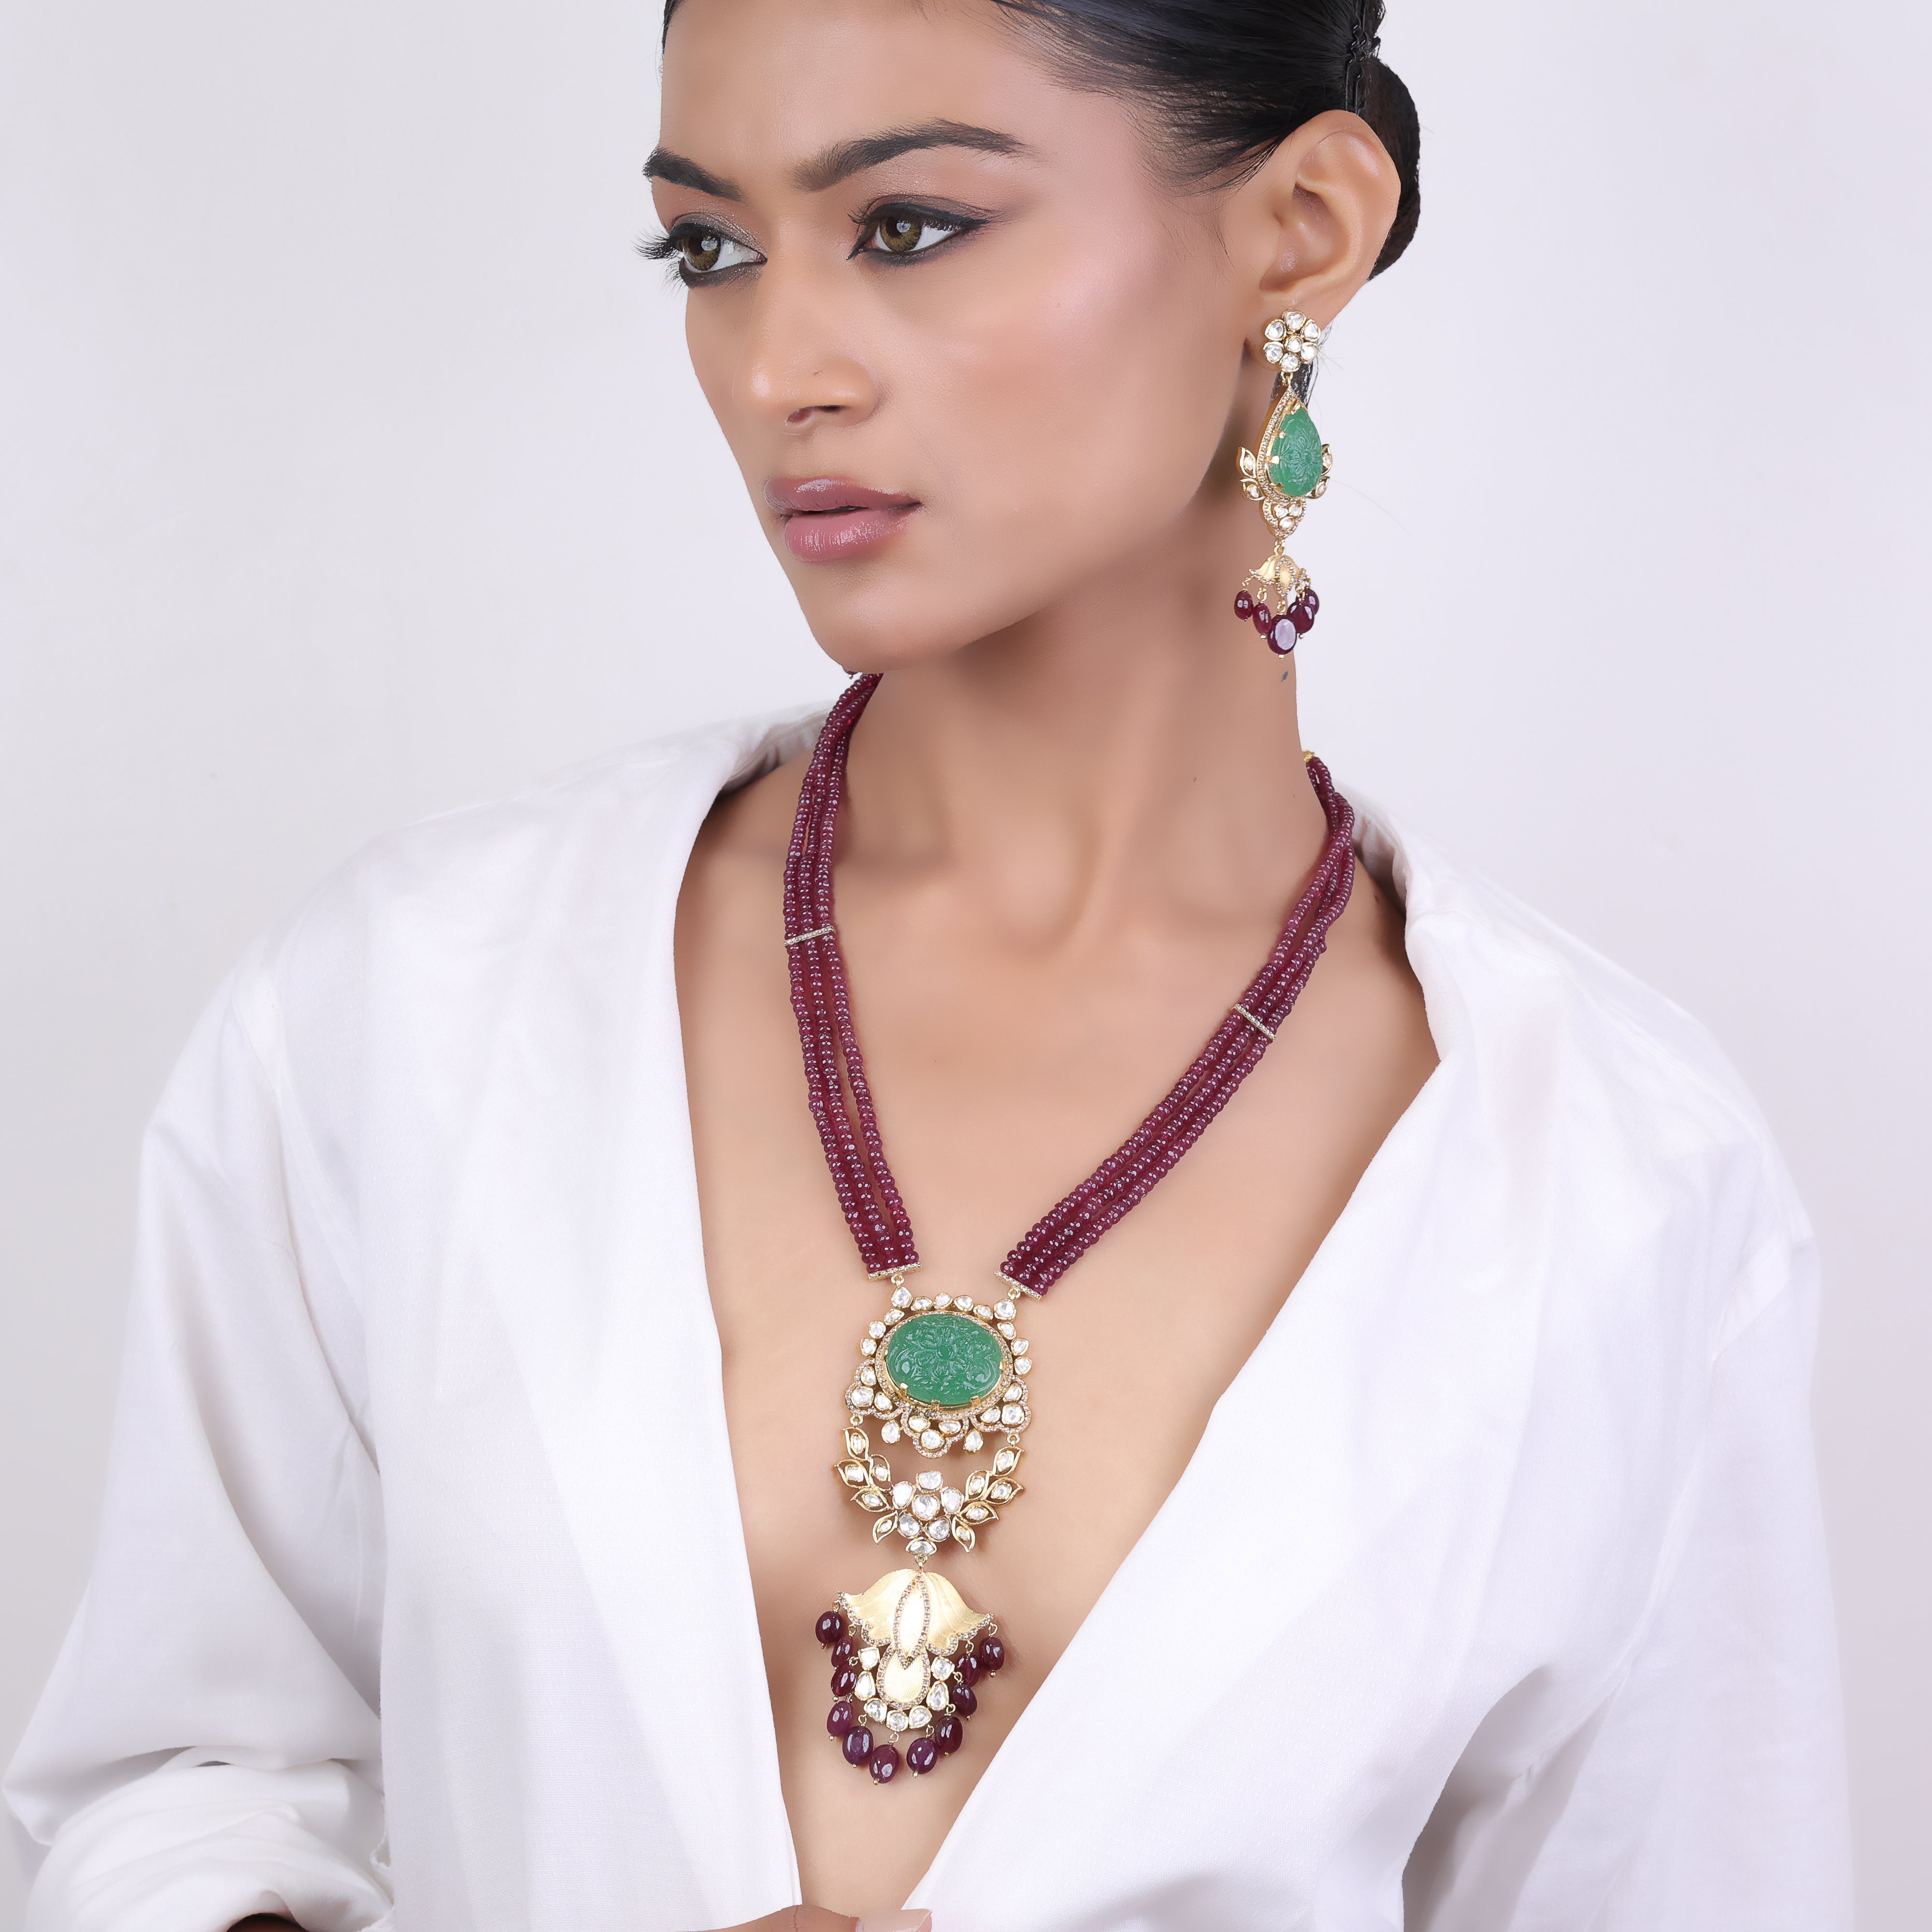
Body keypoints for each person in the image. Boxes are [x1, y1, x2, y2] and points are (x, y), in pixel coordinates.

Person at [5, 0, 1852, 1926]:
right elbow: (187, 1787)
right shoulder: (411, 1007)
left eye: (905, 227)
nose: (774, 369)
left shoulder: (1617, 1189)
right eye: (710, 249)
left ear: (1301, 228)